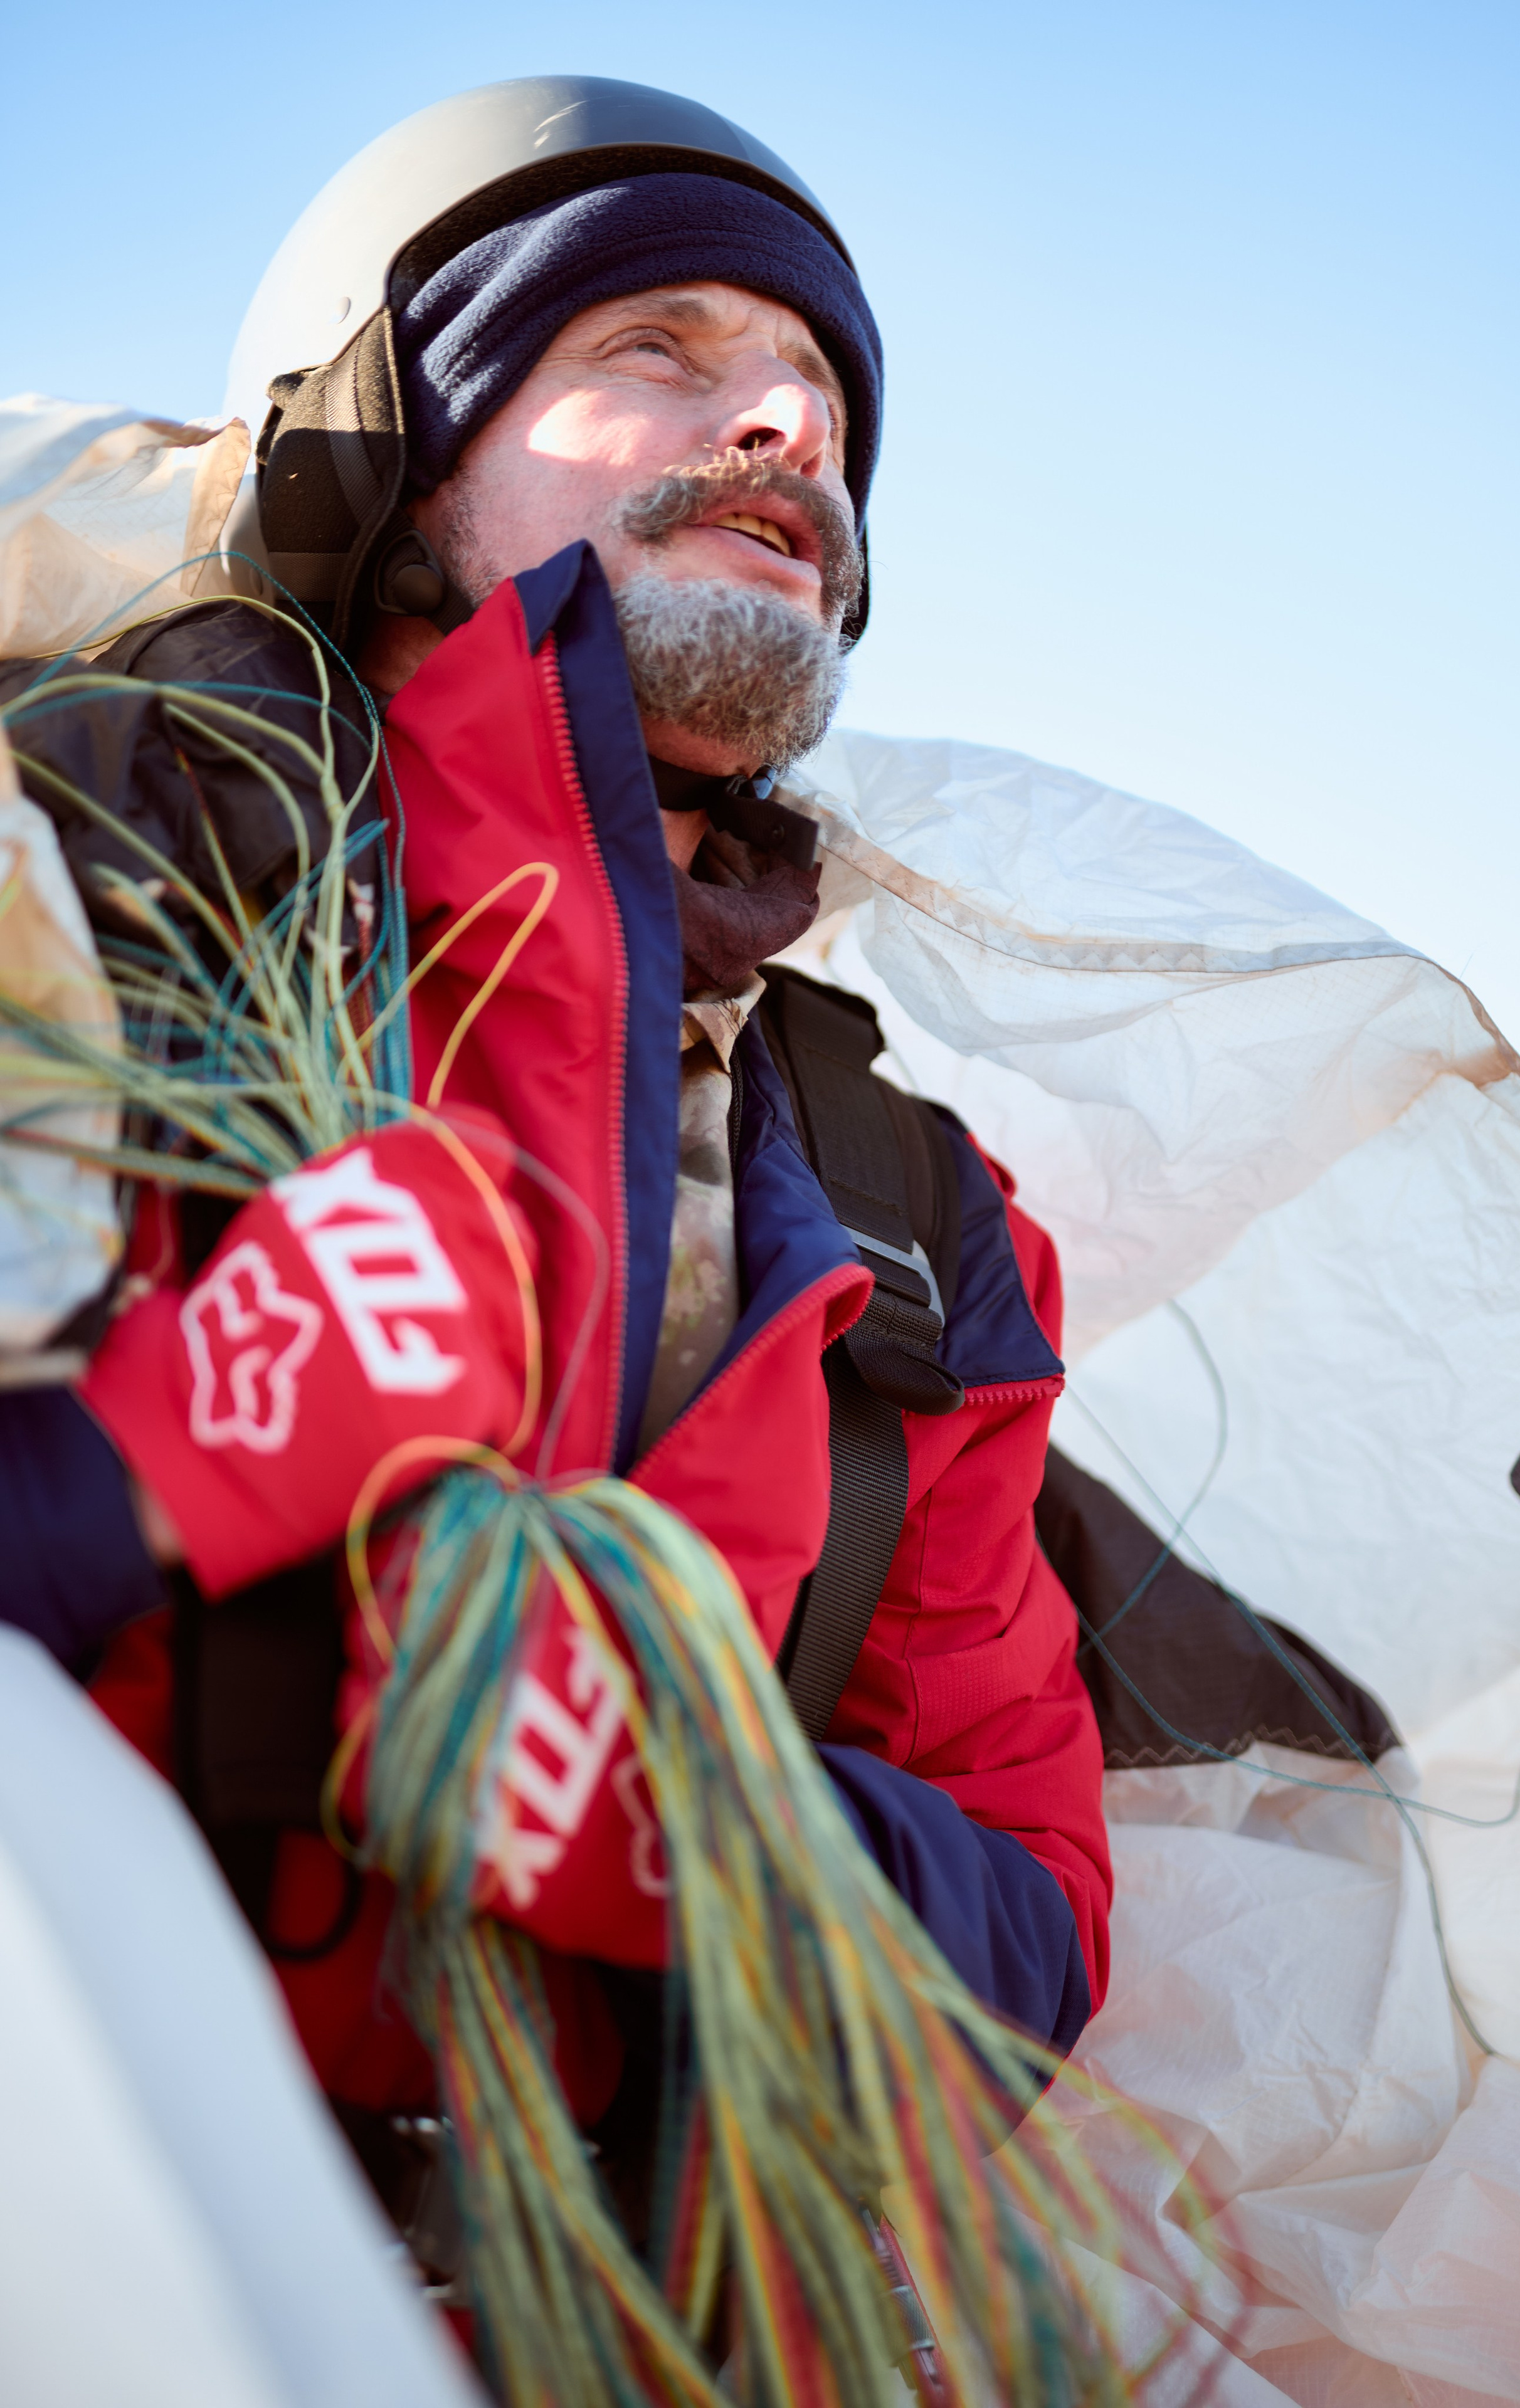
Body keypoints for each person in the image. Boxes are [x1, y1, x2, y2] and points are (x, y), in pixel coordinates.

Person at [1, 76, 1111, 2248]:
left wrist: (719, 1838)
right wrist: (134, 1468)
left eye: (821, 404)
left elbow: (1040, 1920)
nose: (787, 431)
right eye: (656, 350)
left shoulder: (917, 1215)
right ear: (387, 456)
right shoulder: (70, 897)